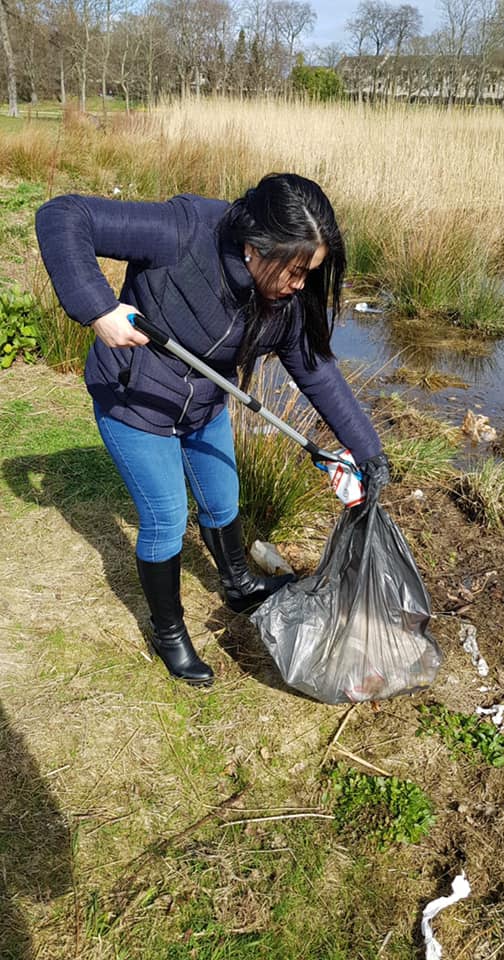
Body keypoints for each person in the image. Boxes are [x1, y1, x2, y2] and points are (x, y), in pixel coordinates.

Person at [35, 172, 390, 687]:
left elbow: (317, 373)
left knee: (223, 499)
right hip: (134, 401)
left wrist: (369, 451)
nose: (300, 284)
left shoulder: (284, 304)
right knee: (165, 516)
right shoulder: (184, 231)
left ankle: (239, 583)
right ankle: (169, 630)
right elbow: (64, 216)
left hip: (201, 406)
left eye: (309, 273)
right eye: (294, 271)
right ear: (254, 247)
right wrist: (99, 308)